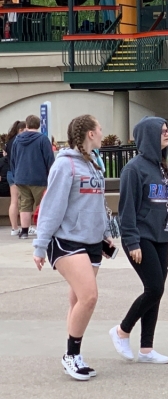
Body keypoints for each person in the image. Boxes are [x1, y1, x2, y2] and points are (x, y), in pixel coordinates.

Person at [31, 115, 110, 380]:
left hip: (93, 242)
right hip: (66, 241)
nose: (102, 133)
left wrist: (106, 232)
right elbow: (52, 207)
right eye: (99, 129)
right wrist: (40, 246)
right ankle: (71, 355)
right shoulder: (65, 165)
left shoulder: (95, 162)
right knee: (89, 296)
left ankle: (75, 354)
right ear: (89, 133)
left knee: (77, 299)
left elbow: (98, 204)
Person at [111, 118, 168, 365]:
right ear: (150, 135)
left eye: (167, 131)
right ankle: (122, 330)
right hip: (140, 237)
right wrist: (132, 242)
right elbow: (127, 210)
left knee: (155, 293)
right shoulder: (133, 169)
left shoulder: (165, 169)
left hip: (161, 237)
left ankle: (146, 349)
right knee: (155, 288)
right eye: (164, 131)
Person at [9, 114, 55, 238]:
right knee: (42, 204)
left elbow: (12, 159)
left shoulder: (17, 140)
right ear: (38, 125)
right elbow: (49, 159)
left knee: (24, 204)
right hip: (39, 177)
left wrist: (16, 174)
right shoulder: (43, 139)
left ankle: (24, 231)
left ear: (27, 125)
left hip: (21, 177)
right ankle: (41, 229)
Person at [5, 120, 25, 234]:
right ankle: (24, 226)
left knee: (14, 201)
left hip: (10, 173)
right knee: (23, 201)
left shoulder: (9, 142)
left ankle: (14, 228)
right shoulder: (20, 141)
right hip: (19, 172)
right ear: (21, 130)